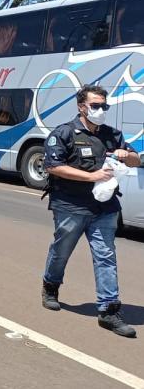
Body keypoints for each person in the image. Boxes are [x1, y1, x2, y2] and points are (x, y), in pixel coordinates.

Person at [41, 84, 140, 337]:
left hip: (104, 208)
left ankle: (108, 310)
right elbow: (53, 167)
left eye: (104, 106)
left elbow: (136, 159)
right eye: (95, 106)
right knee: (61, 251)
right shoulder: (63, 133)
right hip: (70, 206)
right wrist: (91, 175)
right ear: (81, 106)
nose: (100, 110)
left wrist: (126, 154)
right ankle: (51, 286)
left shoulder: (112, 134)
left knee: (106, 256)